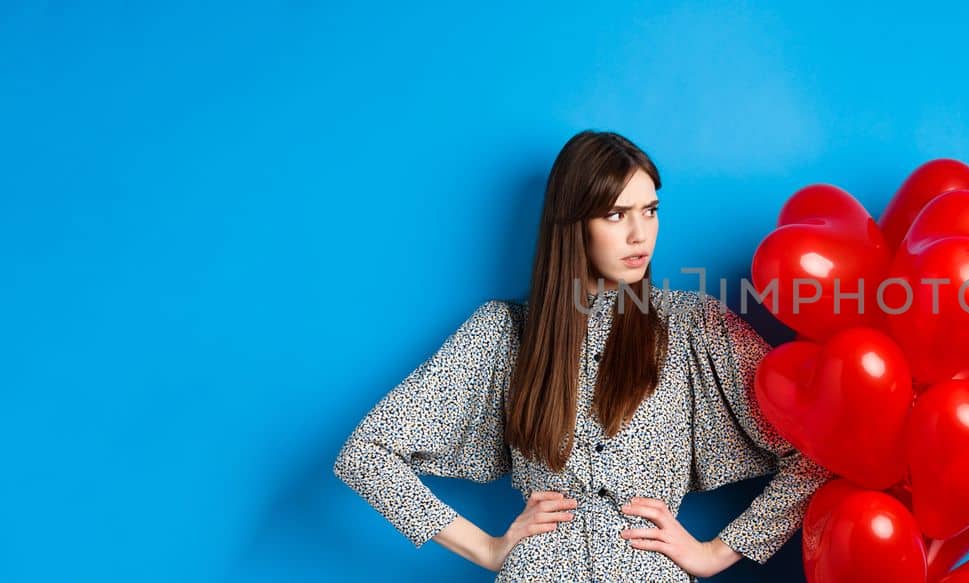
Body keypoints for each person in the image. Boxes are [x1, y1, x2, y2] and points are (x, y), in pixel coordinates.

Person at [332, 130, 831, 582]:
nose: (641, 235)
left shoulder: (692, 326)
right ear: (574, 225)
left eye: (650, 210)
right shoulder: (504, 333)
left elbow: (821, 445)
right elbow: (365, 456)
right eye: (616, 214)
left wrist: (717, 552)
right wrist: (487, 548)